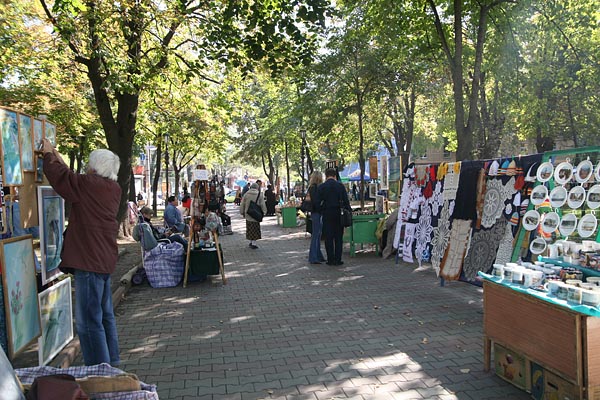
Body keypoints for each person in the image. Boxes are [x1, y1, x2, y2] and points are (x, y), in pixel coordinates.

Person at [41, 138, 121, 366]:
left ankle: (99, 373)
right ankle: (112, 366)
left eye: (89, 165)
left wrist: (48, 155)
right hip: (102, 260)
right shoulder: (111, 188)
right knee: (105, 317)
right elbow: (70, 177)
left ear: (95, 168)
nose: (86, 167)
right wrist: (55, 154)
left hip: (90, 261)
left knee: (88, 322)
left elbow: (64, 178)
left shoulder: (90, 185)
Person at [317, 167, 351, 266]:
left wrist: (321, 210)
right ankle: (338, 259)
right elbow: (346, 201)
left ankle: (330, 259)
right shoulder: (340, 186)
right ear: (335, 175)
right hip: (338, 213)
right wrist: (348, 210)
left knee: (328, 237)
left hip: (327, 214)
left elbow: (318, 202)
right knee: (338, 237)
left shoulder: (322, 187)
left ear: (326, 175)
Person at [240, 182, 267, 249]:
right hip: (256, 214)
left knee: (249, 228)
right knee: (255, 228)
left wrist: (242, 212)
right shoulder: (259, 194)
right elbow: (262, 204)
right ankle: (253, 243)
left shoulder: (246, 194)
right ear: (257, 188)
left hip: (248, 214)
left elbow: (242, 204)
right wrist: (264, 212)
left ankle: (251, 241)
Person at [307, 171, 326, 264]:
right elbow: (316, 202)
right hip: (317, 213)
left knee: (317, 234)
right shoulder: (316, 188)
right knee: (316, 235)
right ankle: (314, 256)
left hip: (314, 212)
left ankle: (317, 255)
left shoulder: (312, 188)